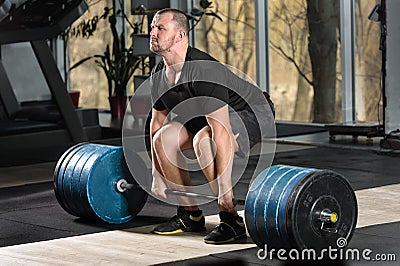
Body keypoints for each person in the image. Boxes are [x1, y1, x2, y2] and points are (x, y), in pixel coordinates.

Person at [148, 8, 275, 244]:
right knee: (163, 139)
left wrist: (224, 191)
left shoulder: (204, 70)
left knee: (204, 140)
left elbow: (220, 130)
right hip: (204, 119)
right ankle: (190, 215)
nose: (152, 32)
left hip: (252, 111)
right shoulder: (159, 75)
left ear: (180, 36)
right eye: (153, 27)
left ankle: (230, 218)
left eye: (160, 28)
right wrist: (157, 174)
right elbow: (156, 124)